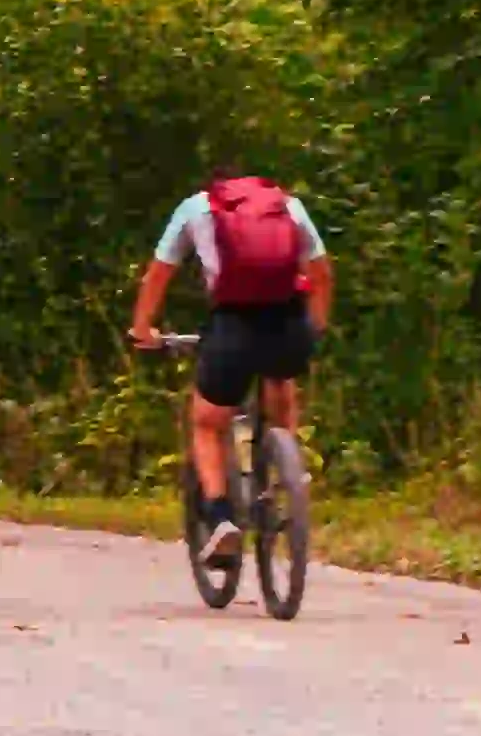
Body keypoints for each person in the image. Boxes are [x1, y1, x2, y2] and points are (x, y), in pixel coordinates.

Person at [132, 168, 331, 576]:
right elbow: (322, 273)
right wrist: (316, 326)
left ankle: (222, 518)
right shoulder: (287, 205)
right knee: (280, 376)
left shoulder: (194, 209)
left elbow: (159, 274)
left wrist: (143, 328)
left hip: (233, 326)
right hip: (289, 321)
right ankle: (288, 475)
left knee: (208, 422)